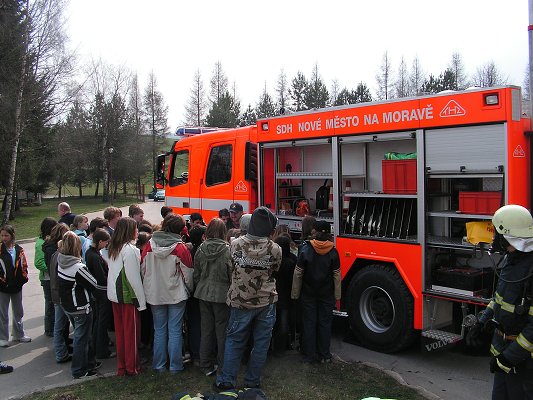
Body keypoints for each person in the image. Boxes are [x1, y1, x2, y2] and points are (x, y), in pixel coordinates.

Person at [466, 205, 533, 399]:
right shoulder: (511, 260)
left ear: (508, 236)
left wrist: (507, 358)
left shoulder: (529, 271)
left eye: (497, 234)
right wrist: (481, 321)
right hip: (503, 357)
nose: (495, 239)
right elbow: (499, 299)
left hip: (522, 364)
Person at [215, 206, 282, 392]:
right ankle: (252, 381)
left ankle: (227, 380)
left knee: (235, 340)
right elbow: (275, 269)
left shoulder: (235, 244)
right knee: (261, 343)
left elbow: (231, 265)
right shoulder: (275, 249)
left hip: (239, 300)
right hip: (265, 302)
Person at [141, 213, 193, 374]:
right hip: (176, 294)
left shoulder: (149, 244)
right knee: (175, 329)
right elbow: (188, 273)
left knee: (160, 329)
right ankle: (175, 366)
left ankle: (159, 365)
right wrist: (189, 290)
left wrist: (149, 285)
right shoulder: (180, 248)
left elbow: (143, 268)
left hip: (155, 293)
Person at [291, 220, 341, 364]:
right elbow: (336, 275)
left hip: (308, 293)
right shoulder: (333, 251)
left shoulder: (306, 249)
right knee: (325, 323)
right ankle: (324, 354)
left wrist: (295, 294)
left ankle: (309, 355)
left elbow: (298, 273)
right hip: (326, 293)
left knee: (309, 323)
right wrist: (337, 296)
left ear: (315, 232)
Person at [57, 231, 104, 379]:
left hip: (68, 305)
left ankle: (90, 364)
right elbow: (93, 283)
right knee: (81, 339)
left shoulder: (61, 260)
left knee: (84, 336)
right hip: (80, 307)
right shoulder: (77, 267)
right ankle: (79, 370)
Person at [104, 217, 146, 376]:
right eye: (135, 228)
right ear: (130, 231)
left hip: (115, 296)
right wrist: (141, 302)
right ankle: (131, 367)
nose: (137, 231)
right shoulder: (130, 250)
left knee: (121, 334)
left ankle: (122, 366)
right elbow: (134, 278)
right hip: (128, 298)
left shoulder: (114, 247)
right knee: (131, 334)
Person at [193, 218, 232, 377]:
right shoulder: (228, 250)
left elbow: (196, 273)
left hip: (203, 292)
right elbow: (231, 274)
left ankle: (205, 364)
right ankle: (222, 365)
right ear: (224, 232)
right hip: (222, 294)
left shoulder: (201, 249)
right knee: (222, 331)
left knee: (206, 330)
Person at [85, 228, 114, 360]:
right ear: (100, 241)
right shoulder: (95, 256)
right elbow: (101, 277)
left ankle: (96, 346)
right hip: (102, 292)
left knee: (98, 321)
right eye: (106, 242)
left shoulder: (91, 253)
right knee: (102, 322)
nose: (106, 245)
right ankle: (102, 351)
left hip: (97, 292)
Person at [44, 223, 71, 363]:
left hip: (57, 290)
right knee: (60, 324)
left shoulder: (54, 251)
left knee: (62, 323)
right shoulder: (55, 252)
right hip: (59, 292)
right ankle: (61, 352)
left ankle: (64, 347)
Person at [0, 225, 30, 347]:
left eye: (6, 235)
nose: (4, 238)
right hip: (3, 287)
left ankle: (19, 334)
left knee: (18, 311)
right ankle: (3, 337)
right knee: (3, 313)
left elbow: (24, 266)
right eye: (2, 235)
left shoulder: (19, 249)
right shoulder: (0, 250)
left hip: (17, 286)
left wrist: (23, 279)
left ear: (12, 236)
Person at [273, 234, 297, 353]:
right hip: (286, 298)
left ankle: (273, 347)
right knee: (284, 324)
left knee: (273, 324)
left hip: (273, 296)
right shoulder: (292, 261)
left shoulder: (272, 261)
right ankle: (282, 346)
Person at [34, 217, 58, 337]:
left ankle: (53, 327)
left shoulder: (49, 241)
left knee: (53, 304)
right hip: (47, 278)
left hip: (51, 277)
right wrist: (51, 268)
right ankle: (49, 329)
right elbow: (39, 262)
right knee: (50, 304)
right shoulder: (40, 243)